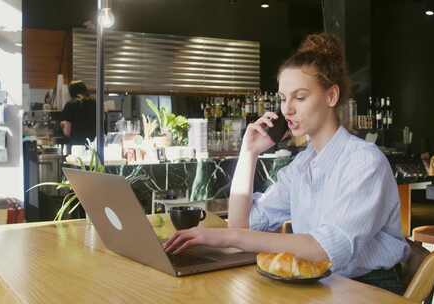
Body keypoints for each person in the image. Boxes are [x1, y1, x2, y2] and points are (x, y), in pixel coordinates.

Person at [164, 33, 409, 294]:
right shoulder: (302, 165)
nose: (287, 109)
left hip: (369, 287)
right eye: (283, 98)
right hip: (322, 282)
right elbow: (241, 225)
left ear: (331, 96)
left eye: (300, 97)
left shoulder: (364, 162)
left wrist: (227, 237)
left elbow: (322, 248)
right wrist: (249, 153)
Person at [60, 81, 97, 147]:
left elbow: (67, 131)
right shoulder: (95, 103)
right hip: (94, 144)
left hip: (77, 145)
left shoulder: (70, 105)